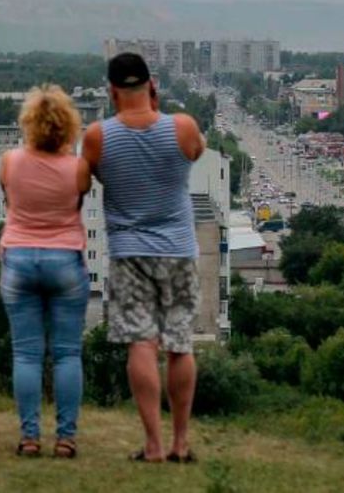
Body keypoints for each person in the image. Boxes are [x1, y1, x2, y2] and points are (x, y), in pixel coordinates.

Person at [81, 52, 205, 464]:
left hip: (129, 252)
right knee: (180, 344)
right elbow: (197, 151)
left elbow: (92, 176)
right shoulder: (182, 127)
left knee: (141, 343)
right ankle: (181, 443)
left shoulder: (98, 136)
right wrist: (157, 108)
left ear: (111, 91)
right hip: (179, 251)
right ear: (152, 84)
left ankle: (152, 444)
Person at [0, 84, 92, 458]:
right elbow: (77, 203)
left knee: (26, 355)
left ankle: (29, 437)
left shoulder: (9, 162)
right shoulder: (78, 168)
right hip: (65, 259)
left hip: (19, 259)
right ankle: (66, 438)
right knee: (68, 354)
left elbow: (10, 200)